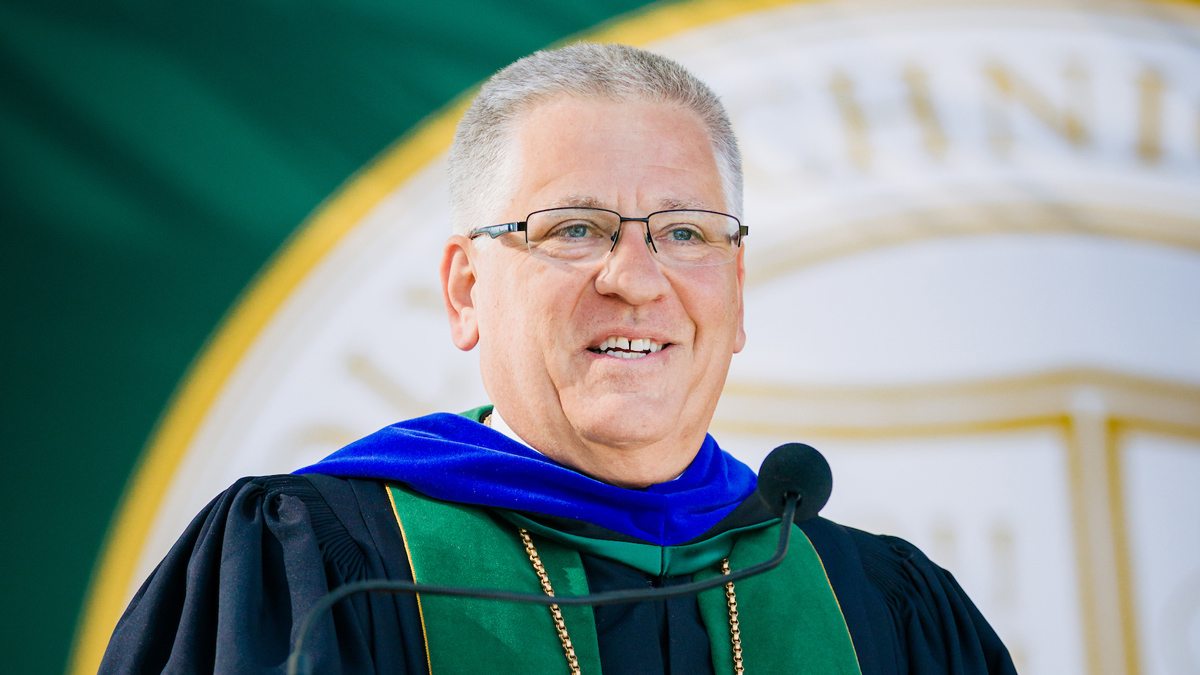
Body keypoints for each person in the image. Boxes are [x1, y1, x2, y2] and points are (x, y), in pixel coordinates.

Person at [100, 43, 1016, 675]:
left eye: (685, 232)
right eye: (574, 228)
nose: (636, 278)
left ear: (735, 296)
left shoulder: (882, 608)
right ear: (465, 290)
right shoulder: (322, 571)